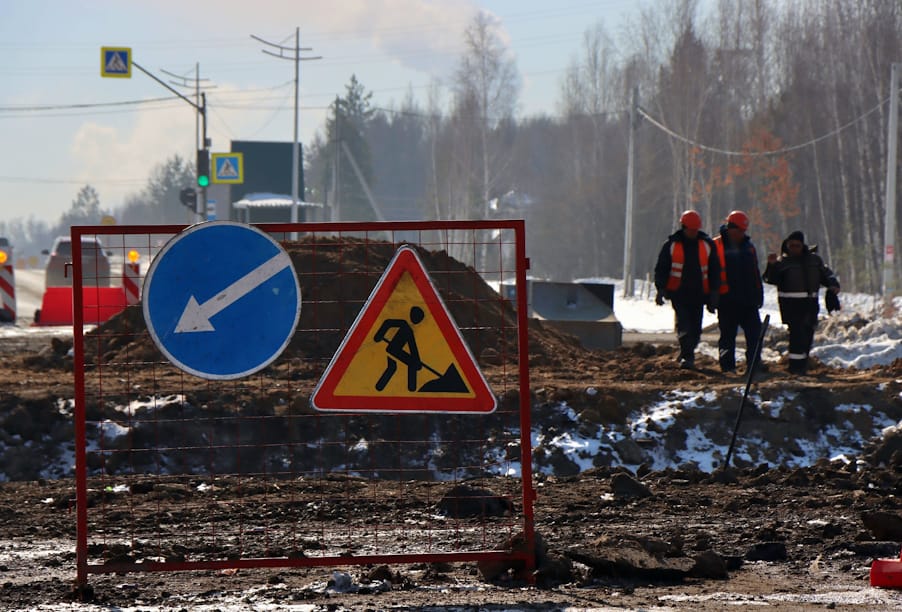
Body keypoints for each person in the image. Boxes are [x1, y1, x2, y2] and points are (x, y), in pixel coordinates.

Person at [763, 230, 840, 375]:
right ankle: (796, 367)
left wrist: (833, 285)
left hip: (810, 304)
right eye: (791, 246)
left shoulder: (814, 261)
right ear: (786, 246)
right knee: (797, 335)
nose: (794, 249)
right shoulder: (782, 263)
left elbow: (826, 274)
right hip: (791, 305)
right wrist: (771, 265)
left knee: (808, 334)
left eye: (797, 246)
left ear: (802, 245)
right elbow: (770, 279)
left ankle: (803, 363)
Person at [654, 210, 721, 369]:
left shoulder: (707, 245)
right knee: (684, 324)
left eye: (695, 229)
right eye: (691, 229)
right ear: (683, 227)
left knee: (696, 329)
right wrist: (661, 289)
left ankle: (687, 352)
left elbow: (714, 270)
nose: (693, 232)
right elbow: (662, 269)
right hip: (679, 294)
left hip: (699, 295)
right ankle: (687, 357)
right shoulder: (671, 245)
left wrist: (714, 293)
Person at [713, 210, 764, 375]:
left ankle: (754, 366)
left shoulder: (749, 247)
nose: (742, 234)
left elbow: (755, 273)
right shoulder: (716, 245)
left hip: (748, 301)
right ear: (730, 228)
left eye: (743, 231)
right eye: (739, 230)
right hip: (726, 300)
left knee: (754, 334)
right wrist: (712, 296)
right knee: (727, 336)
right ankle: (728, 368)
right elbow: (709, 273)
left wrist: (758, 294)